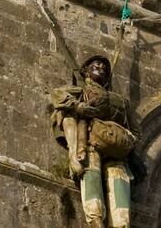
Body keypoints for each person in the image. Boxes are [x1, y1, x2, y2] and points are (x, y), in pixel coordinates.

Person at [51, 55, 135, 228]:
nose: (101, 67)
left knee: (119, 181)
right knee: (91, 175)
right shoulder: (83, 89)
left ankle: (121, 224)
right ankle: (96, 221)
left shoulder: (121, 101)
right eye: (96, 64)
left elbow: (135, 128)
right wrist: (78, 106)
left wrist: (131, 138)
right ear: (86, 70)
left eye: (104, 66)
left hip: (118, 148)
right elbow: (58, 94)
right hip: (91, 142)